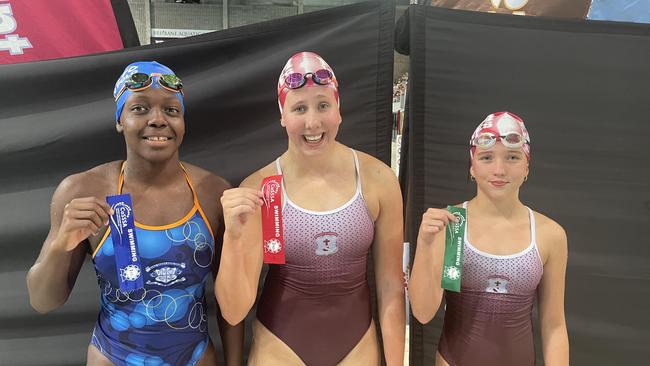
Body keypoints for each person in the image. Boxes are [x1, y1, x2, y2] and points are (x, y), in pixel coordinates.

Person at [26, 61, 243, 366]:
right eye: (140, 108)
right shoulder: (82, 190)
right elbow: (42, 301)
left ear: (182, 122)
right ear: (119, 120)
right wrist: (61, 246)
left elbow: (229, 303)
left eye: (171, 110)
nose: (157, 120)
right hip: (112, 356)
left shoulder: (212, 193)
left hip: (194, 358)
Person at [216, 51, 405, 365]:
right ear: (282, 115)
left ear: (339, 110)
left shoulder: (378, 179)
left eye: (323, 105)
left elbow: (390, 289)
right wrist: (235, 238)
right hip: (280, 347)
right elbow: (234, 310)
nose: (313, 122)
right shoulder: (259, 188)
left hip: (357, 347)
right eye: (299, 108)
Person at [408, 111, 569, 365]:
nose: (499, 170)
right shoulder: (452, 226)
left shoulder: (550, 235)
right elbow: (423, 313)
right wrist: (425, 245)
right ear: (472, 166)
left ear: (527, 165)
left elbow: (554, 325)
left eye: (512, 157)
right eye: (486, 157)